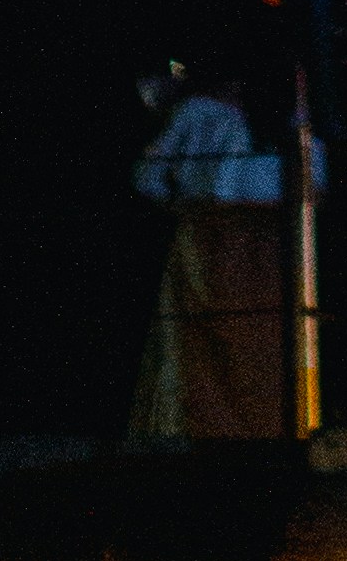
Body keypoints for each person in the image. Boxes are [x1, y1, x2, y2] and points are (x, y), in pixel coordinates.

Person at [128, 57, 304, 440]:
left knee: (242, 352)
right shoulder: (204, 114)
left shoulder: (283, 125)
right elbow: (150, 176)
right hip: (217, 247)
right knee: (210, 354)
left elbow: (151, 177)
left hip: (258, 250)